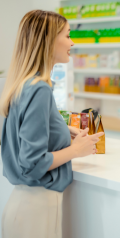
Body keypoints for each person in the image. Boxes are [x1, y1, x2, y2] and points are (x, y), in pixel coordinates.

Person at [0, 10, 104, 238]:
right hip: (35, 211)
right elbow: (32, 162)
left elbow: (23, 130)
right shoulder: (40, 90)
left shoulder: (24, 84)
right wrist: (75, 150)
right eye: (67, 36)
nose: (72, 42)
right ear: (48, 40)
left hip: (25, 208)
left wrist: (63, 130)